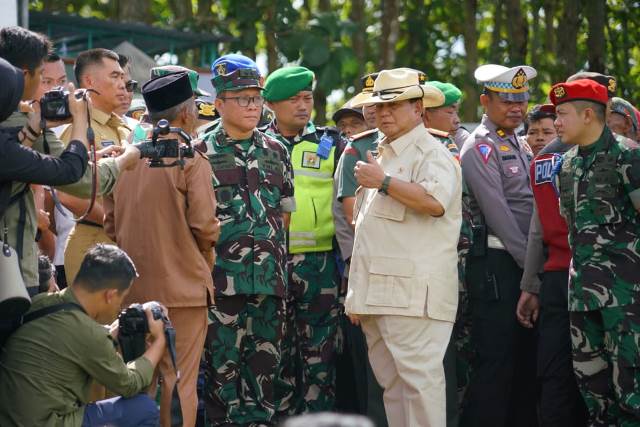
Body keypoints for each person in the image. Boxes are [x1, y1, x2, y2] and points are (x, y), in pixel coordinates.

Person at [104, 71, 220, 427]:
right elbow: (206, 227)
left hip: (133, 289)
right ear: (185, 113)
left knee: (141, 380)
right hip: (183, 292)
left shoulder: (126, 159)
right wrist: (204, 257)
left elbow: (110, 225)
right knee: (179, 379)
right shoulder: (189, 159)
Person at [345, 67, 460, 427]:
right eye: (379, 107)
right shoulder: (385, 153)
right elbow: (368, 233)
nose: (384, 114)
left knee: (420, 387)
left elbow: (433, 202)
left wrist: (385, 182)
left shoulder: (431, 152)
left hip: (414, 297)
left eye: (394, 105)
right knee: (392, 388)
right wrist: (357, 295)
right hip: (380, 294)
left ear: (418, 109)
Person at [0, 29, 136, 294]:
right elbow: (77, 179)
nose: (55, 90)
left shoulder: (27, 124)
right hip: (11, 272)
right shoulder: (24, 124)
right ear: (22, 75)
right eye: (44, 77)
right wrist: (130, 157)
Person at [200, 54, 295, 427]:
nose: (252, 106)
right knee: (222, 380)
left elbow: (284, 213)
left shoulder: (276, 150)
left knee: (264, 376)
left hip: (269, 283)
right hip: (221, 284)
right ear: (219, 102)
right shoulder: (200, 152)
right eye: (242, 98)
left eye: (256, 98)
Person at [551, 78, 640, 426]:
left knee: (632, 390)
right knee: (593, 390)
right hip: (582, 298)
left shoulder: (628, 155)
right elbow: (573, 229)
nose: (556, 122)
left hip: (627, 299)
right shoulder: (567, 165)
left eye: (562, 114)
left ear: (588, 114)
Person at [0, 244, 166, 427]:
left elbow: (69, 338)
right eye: (122, 298)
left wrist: (109, 334)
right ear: (110, 295)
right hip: (47, 422)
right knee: (144, 409)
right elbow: (129, 383)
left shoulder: (41, 302)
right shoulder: (89, 334)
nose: (120, 306)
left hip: (10, 419)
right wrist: (160, 341)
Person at [262, 65, 348, 415]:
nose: (302, 105)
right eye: (293, 99)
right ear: (272, 105)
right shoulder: (258, 144)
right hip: (271, 265)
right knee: (275, 358)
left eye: (307, 98)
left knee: (320, 361)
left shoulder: (331, 142)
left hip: (319, 266)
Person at [459, 64, 538, 427]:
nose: (517, 108)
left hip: (522, 266)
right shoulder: (480, 148)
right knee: (496, 364)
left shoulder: (517, 143)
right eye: (507, 100)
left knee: (524, 365)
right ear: (485, 101)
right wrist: (532, 271)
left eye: (521, 99)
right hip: (499, 266)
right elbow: (501, 216)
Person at [333, 73, 387, 427]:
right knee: (372, 366)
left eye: (378, 104)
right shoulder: (355, 150)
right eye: (366, 105)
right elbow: (349, 221)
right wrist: (356, 273)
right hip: (364, 269)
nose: (372, 111)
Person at [58, 48, 132, 285]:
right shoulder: (78, 128)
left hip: (126, 245)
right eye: (114, 76)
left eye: (122, 77)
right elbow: (66, 193)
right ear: (90, 81)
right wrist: (120, 226)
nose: (123, 83)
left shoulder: (127, 128)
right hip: (94, 246)